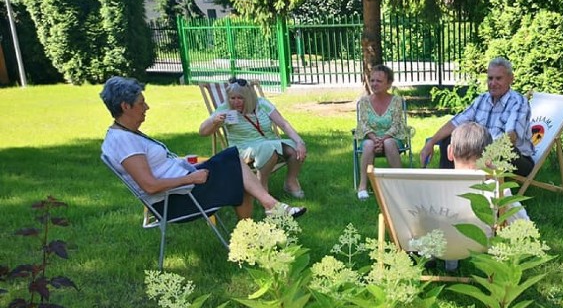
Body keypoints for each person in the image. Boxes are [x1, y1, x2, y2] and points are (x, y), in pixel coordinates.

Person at [101, 76, 306, 222]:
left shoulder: (127, 135)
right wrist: (190, 178)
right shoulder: (124, 141)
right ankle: (268, 212)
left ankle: (260, 221)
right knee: (235, 167)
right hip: (179, 200)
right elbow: (150, 186)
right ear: (125, 106)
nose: (146, 108)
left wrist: (184, 165)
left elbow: (153, 169)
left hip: (184, 188)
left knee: (232, 160)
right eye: (141, 103)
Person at [419, 57, 535, 177]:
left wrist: (484, 155)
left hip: (517, 160)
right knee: (449, 140)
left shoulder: (519, 102)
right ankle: (448, 182)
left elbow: (511, 137)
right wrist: (431, 142)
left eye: (498, 78)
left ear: (511, 79)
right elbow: (455, 123)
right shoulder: (482, 99)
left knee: (506, 150)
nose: (493, 83)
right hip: (482, 152)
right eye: (490, 78)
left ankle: (492, 190)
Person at [199, 77, 308, 199]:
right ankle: (262, 188)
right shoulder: (226, 110)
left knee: (294, 148)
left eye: (240, 98)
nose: (236, 102)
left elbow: (283, 124)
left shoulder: (262, 104)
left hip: (269, 142)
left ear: (249, 97)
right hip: (243, 148)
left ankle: (290, 181)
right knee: (268, 149)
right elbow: (202, 132)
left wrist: (299, 141)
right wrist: (213, 121)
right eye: (232, 98)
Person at [449, 122, 530, 225]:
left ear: (450, 152)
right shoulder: (496, 190)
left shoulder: (430, 184)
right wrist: (499, 180)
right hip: (478, 241)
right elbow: (523, 226)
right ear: (489, 157)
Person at [354, 65, 406, 200]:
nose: (374, 84)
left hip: (392, 138)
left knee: (389, 143)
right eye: (372, 80)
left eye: (379, 81)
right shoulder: (364, 101)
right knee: (368, 145)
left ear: (388, 83)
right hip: (370, 138)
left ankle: (400, 185)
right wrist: (374, 138)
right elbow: (363, 124)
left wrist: (383, 139)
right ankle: (363, 186)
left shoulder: (396, 101)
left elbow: (397, 124)